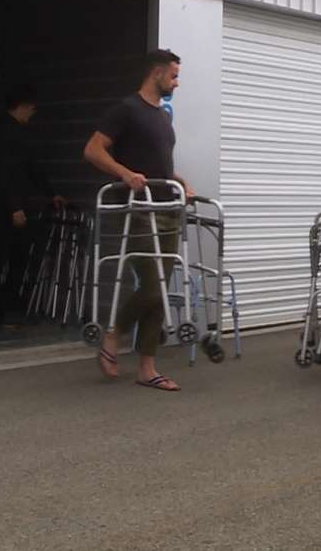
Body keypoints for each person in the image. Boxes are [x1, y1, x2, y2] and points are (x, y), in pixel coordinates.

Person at [83, 49, 193, 392]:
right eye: (173, 75)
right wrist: (125, 174)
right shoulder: (126, 109)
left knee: (159, 289)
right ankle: (113, 336)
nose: (177, 81)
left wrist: (181, 181)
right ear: (156, 73)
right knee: (152, 283)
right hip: (137, 210)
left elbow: (158, 162)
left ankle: (147, 367)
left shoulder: (162, 116)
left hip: (166, 207)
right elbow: (93, 150)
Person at [0, 83, 66, 326]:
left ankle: (3, 310)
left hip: (9, 206)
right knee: (3, 259)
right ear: (22, 106)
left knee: (9, 259)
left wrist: (50, 195)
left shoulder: (7, 132)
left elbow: (31, 171)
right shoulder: (8, 135)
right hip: (7, 209)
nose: (33, 113)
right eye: (31, 109)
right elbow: (4, 174)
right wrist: (15, 207)